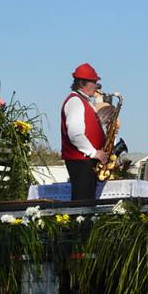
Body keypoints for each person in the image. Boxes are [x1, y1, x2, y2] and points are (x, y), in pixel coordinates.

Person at [60, 62, 108, 202]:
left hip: (85, 161)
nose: (97, 86)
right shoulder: (75, 102)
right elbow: (75, 134)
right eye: (94, 82)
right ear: (83, 83)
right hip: (81, 161)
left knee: (87, 204)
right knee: (82, 205)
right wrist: (94, 153)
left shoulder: (83, 102)